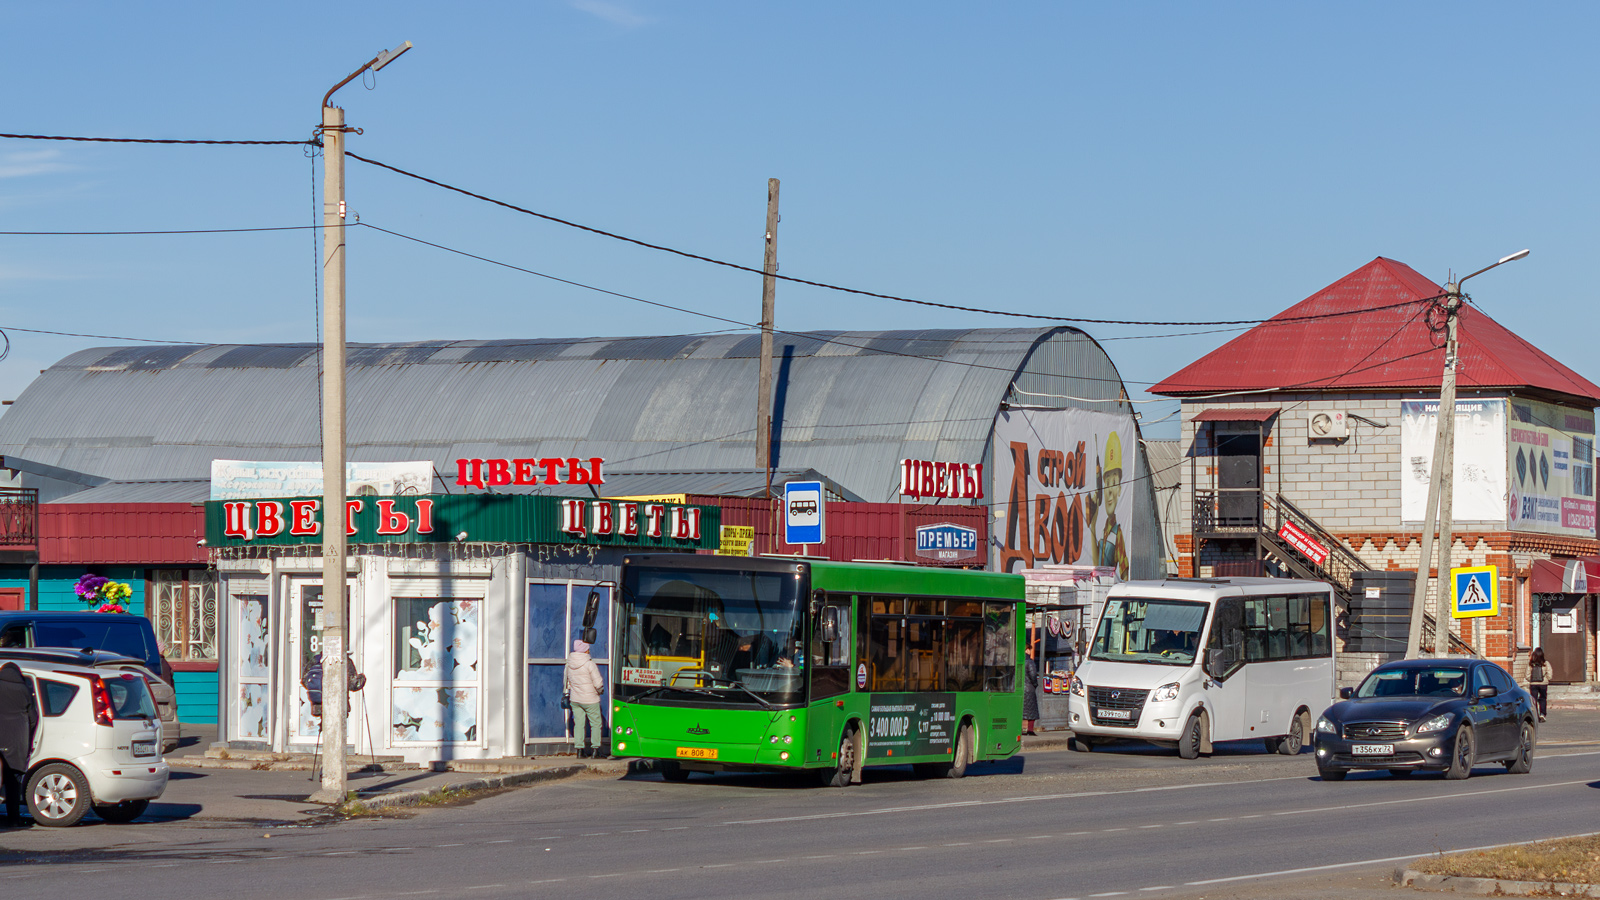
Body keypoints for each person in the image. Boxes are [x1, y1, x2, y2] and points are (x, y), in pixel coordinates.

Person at [0, 662, 38, 826]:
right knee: (13, 782)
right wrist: (27, 736)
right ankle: (14, 818)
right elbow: (33, 719)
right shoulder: (24, 690)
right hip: (17, 741)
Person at [564, 639, 606, 758]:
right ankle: (595, 750)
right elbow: (598, 683)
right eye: (588, 648)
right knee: (596, 724)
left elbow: (566, 681)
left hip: (575, 699)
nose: (589, 650)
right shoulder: (589, 663)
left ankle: (579, 751)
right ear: (585, 650)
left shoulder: (569, 663)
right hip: (590, 699)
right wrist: (600, 691)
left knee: (578, 724)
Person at [1022, 643, 1040, 735]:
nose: (1030, 651)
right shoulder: (1030, 662)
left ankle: (1019, 729)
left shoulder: (1018, 660)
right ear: (1026, 650)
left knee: (1020, 710)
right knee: (1031, 711)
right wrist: (1035, 684)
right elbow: (1033, 675)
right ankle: (1030, 730)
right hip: (1029, 689)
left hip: (1019, 688)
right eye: (1029, 649)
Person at [1527, 647, 1549, 722]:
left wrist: (1531, 679)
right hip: (1543, 684)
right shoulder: (1545, 663)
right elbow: (1550, 673)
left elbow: (1527, 675)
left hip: (1533, 684)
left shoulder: (1531, 664)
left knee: (1534, 699)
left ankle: (1535, 715)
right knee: (1542, 698)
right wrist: (1546, 679)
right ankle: (1542, 714)